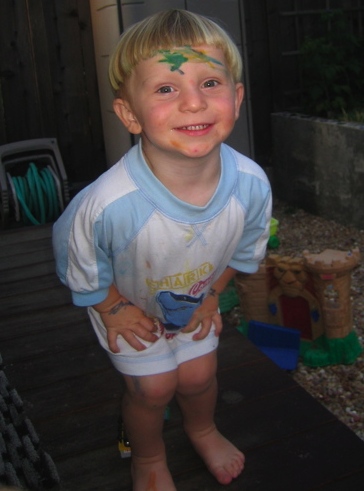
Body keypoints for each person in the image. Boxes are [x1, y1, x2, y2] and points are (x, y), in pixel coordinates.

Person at [53, 8, 272, 491]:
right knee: (152, 388)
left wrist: (214, 293)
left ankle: (202, 427)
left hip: (195, 298)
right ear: (129, 114)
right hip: (121, 301)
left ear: (236, 98)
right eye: (166, 89)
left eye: (210, 83)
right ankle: (148, 457)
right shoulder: (109, 205)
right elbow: (77, 259)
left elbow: (243, 250)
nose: (193, 104)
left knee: (197, 377)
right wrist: (111, 308)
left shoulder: (251, 185)